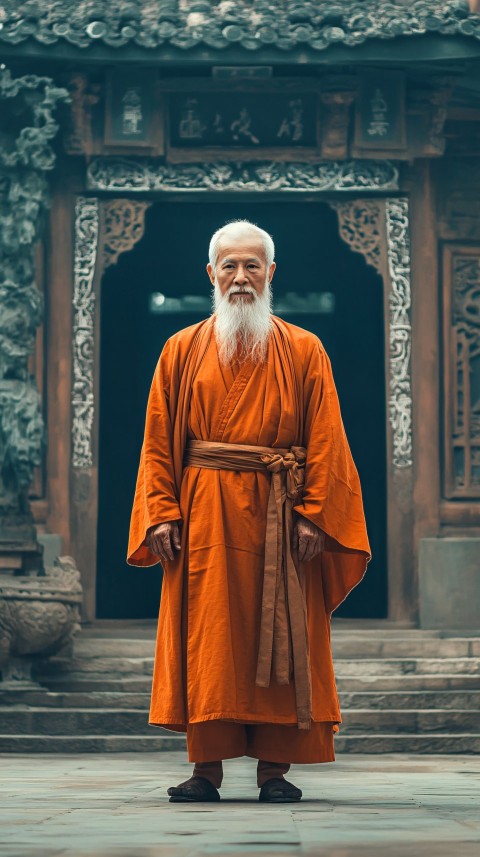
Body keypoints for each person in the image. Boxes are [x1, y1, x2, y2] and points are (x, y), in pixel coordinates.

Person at [127, 219, 371, 803]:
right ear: (210, 274)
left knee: (285, 631)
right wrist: (161, 512)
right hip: (204, 513)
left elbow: (327, 438)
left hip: (281, 517)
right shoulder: (180, 350)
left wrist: (316, 512)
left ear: (271, 274)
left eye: (252, 266)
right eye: (229, 266)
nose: (241, 278)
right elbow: (159, 440)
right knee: (208, 635)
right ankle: (204, 770)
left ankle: (274, 772)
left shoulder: (305, 350)